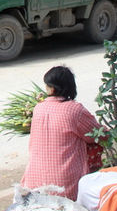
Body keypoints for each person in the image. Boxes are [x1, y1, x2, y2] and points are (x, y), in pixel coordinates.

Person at [21, 66, 105, 200]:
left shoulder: (38, 108)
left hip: (33, 183)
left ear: (52, 89)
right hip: (65, 187)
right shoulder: (75, 110)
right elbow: (98, 135)